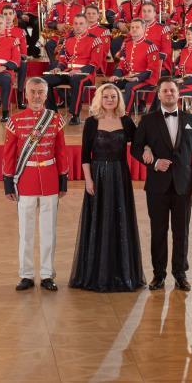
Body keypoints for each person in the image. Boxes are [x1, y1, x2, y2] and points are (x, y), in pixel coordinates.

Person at [134, 77, 192, 291]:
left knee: (181, 232)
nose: (169, 94)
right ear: (158, 95)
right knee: (158, 232)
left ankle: (180, 273)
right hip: (156, 186)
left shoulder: (191, 120)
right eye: (165, 91)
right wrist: (154, 161)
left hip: (183, 186)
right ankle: (158, 275)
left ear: (178, 94)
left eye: (172, 91)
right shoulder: (148, 120)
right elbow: (136, 148)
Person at [68, 83, 143, 292]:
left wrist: (147, 149)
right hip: (98, 176)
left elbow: (139, 144)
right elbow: (84, 156)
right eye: (106, 96)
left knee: (120, 221)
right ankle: (96, 274)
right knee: (98, 221)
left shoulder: (126, 121)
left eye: (114, 96)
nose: (110, 100)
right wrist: (88, 180)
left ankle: (122, 273)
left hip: (120, 175)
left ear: (118, 99)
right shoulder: (92, 123)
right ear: (99, 99)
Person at [3, 78, 68, 291]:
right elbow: (9, 154)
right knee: (26, 230)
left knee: (49, 230)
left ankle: (48, 274)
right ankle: (26, 274)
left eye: (40, 92)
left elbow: (61, 151)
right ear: (26, 95)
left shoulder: (55, 120)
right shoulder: (15, 120)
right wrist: (8, 183)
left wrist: (62, 179)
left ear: (46, 95)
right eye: (33, 92)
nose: (37, 96)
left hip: (49, 179)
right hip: (26, 179)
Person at [45, 15, 102, 123]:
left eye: (81, 23)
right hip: (67, 72)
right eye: (75, 23)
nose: (78, 26)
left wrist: (79, 71)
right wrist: (58, 68)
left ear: (86, 25)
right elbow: (63, 59)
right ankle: (51, 112)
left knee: (76, 80)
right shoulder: (67, 40)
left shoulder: (95, 40)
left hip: (86, 74)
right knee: (45, 80)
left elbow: (95, 64)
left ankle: (75, 115)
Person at [113, 19, 161, 113]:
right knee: (111, 85)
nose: (134, 29)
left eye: (137, 27)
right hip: (129, 76)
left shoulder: (151, 46)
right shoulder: (127, 44)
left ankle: (126, 116)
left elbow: (151, 70)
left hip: (146, 79)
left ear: (144, 29)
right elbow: (121, 64)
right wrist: (117, 76)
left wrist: (136, 78)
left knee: (130, 87)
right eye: (132, 27)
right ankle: (110, 113)